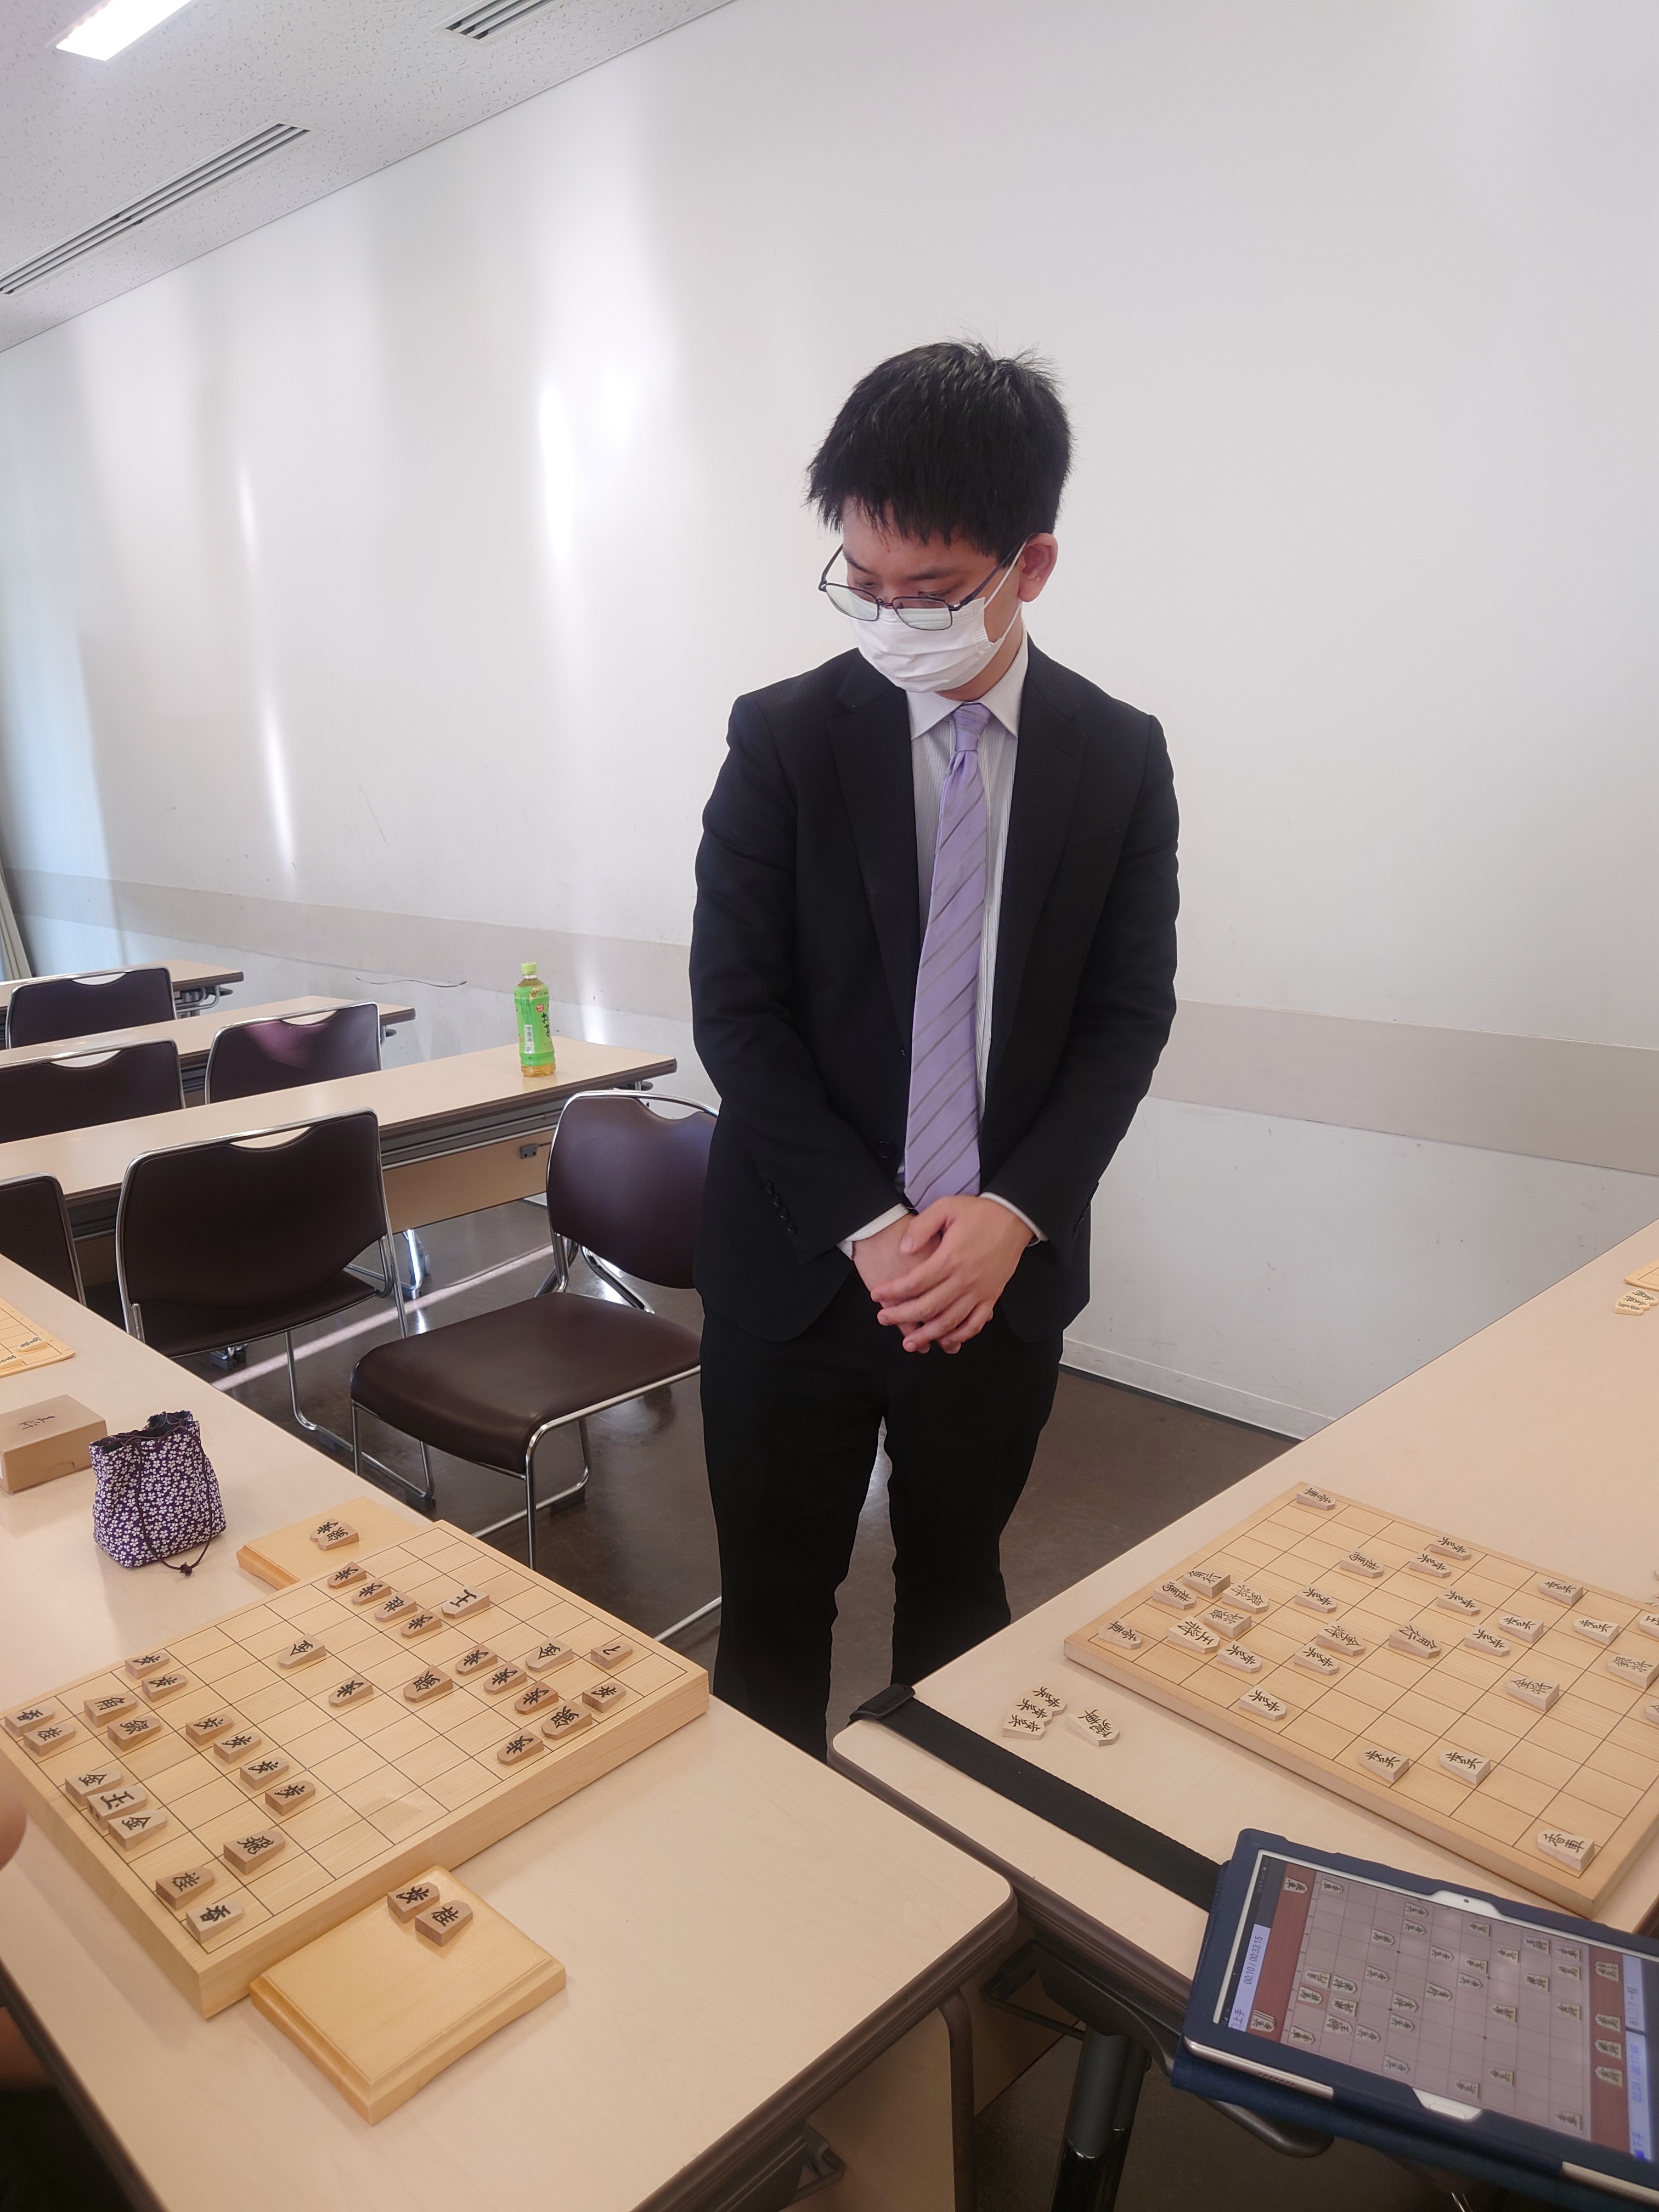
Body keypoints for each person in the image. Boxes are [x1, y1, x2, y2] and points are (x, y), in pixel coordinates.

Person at [690, 341, 1179, 1759]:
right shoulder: (784, 739)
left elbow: (1125, 1018)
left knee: (960, 1604)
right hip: (798, 1266)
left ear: (1032, 565)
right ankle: (773, 1872)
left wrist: (1015, 1212)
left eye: (935, 590)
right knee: (771, 1616)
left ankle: (944, 1851)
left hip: (992, 1283)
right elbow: (736, 1011)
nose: (894, 619)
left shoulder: (1118, 755)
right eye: (865, 582)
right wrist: (867, 1223)